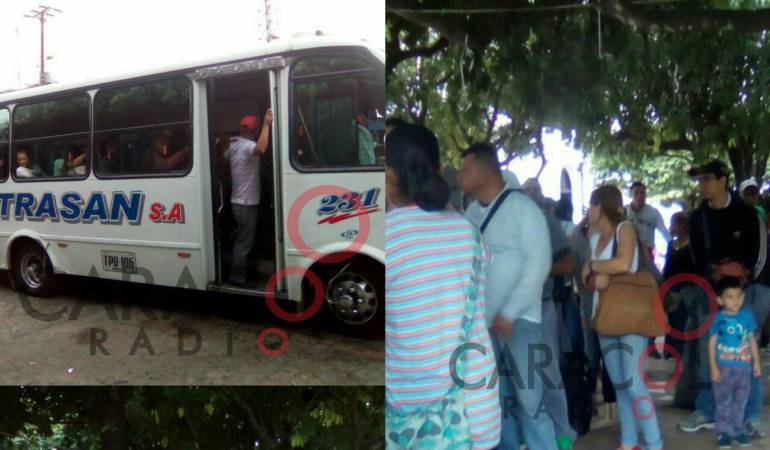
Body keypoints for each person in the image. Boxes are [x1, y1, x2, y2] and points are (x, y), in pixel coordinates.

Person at [385, 123, 500, 450]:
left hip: (412, 422)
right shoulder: (470, 234)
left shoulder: (387, 237)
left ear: (390, 175)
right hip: (476, 409)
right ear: (438, 168)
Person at [458, 143, 557, 450]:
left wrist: (509, 312)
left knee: (531, 400)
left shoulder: (523, 209)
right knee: (497, 403)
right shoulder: (471, 214)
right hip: (484, 325)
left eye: (465, 170)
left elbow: (539, 264)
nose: (460, 177)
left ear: (485, 172)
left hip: (520, 322)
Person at [679, 159, 769, 437]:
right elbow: (697, 256)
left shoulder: (748, 214)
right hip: (711, 291)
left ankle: (751, 416)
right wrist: (715, 273)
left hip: (749, 290)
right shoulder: (699, 218)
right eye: (700, 180)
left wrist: (743, 276)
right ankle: (707, 410)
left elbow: (761, 254)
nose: (702, 185)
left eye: (707, 179)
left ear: (723, 181)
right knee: (709, 351)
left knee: (746, 351)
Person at [581, 185, 663, 450]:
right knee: (619, 383)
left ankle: (654, 443)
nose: (588, 211)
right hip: (605, 314)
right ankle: (628, 441)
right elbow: (585, 278)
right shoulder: (593, 237)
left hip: (630, 316)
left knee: (634, 383)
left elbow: (624, 264)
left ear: (599, 206)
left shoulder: (624, 229)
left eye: (591, 205)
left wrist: (593, 266)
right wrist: (593, 277)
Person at [523, 178, 578, 450]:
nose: (528, 196)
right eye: (525, 192)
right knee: (523, 380)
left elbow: (568, 264)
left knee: (548, 375)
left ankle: (563, 434)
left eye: (532, 191)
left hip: (542, 308)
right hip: (512, 313)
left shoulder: (548, 222)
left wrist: (536, 269)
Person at [709, 276, 762, 448]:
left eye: (739, 296)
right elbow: (712, 343)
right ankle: (723, 432)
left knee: (741, 400)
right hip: (723, 368)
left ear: (743, 296)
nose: (735, 300)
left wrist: (756, 362)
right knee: (723, 400)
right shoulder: (717, 318)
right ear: (720, 300)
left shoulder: (747, 317)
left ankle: (738, 430)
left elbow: (751, 340)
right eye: (730, 297)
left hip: (744, 369)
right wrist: (713, 367)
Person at [222, 110, 272, 288]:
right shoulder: (247, 146)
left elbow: (224, 156)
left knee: (241, 240)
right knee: (243, 243)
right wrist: (267, 125)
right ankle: (237, 277)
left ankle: (240, 272)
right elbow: (261, 148)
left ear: (242, 128)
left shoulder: (234, 146)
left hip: (238, 202)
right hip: (246, 203)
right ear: (255, 130)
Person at [661, 212, 696, 359]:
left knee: (681, 321)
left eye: (674, 224)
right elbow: (668, 267)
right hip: (671, 287)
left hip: (686, 287)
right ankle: (669, 350)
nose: (671, 227)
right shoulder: (671, 245)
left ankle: (679, 352)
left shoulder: (691, 246)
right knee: (671, 320)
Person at [625, 182, 670, 274]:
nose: (639, 196)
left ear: (645, 195)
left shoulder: (653, 213)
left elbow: (664, 231)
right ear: (631, 195)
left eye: (642, 193)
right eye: (636, 193)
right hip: (627, 251)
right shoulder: (624, 211)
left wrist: (673, 245)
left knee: (651, 277)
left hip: (647, 252)